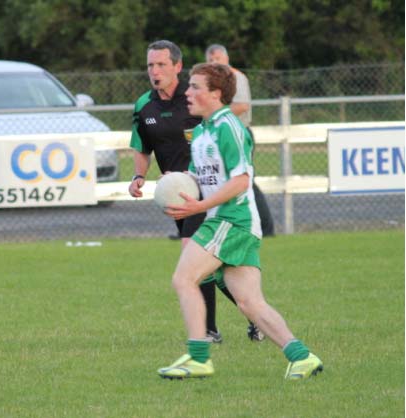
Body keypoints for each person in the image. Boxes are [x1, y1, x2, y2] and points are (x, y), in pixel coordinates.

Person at [157, 63, 323, 380]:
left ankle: (198, 357)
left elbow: (241, 181)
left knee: (184, 279)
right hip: (233, 223)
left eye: (194, 87)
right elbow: (203, 176)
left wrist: (201, 206)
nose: (187, 92)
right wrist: (179, 180)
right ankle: (302, 357)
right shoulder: (203, 129)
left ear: (215, 93)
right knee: (249, 303)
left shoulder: (228, 127)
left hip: (231, 220)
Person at [128, 40, 222, 343]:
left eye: (161, 65)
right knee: (218, 268)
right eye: (150, 66)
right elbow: (142, 146)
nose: (154, 71)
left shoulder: (196, 98)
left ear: (177, 67)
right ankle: (252, 316)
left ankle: (207, 332)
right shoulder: (144, 105)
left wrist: (190, 173)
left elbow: (218, 142)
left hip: (206, 191)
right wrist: (138, 176)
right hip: (176, 194)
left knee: (191, 258)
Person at [205, 44, 275, 239]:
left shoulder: (236, 77)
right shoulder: (210, 83)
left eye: (217, 58)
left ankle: (267, 228)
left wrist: (215, 113)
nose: (214, 63)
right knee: (216, 180)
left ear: (227, 59)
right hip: (220, 135)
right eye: (210, 60)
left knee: (245, 180)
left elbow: (242, 106)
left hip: (239, 133)